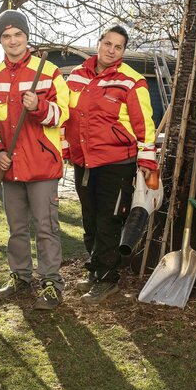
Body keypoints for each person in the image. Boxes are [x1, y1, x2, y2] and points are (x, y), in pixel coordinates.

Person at [0, 9, 70, 310]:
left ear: (26, 36)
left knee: (45, 228)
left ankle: (51, 283)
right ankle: (20, 276)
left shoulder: (49, 72)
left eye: (18, 34)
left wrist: (40, 106)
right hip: (10, 167)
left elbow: (64, 114)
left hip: (42, 166)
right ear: (0, 40)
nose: (13, 40)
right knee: (16, 228)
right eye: (6, 36)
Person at [62, 26, 157, 303]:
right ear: (99, 43)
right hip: (84, 162)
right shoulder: (77, 75)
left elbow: (144, 124)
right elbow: (68, 115)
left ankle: (108, 279)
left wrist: (146, 158)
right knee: (89, 218)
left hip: (117, 162)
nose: (111, 49)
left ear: (123, 52)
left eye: (118, 46)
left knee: (109, 219)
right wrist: (67, 149)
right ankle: (94, 270)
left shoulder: (132, 81)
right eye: (108, 43)